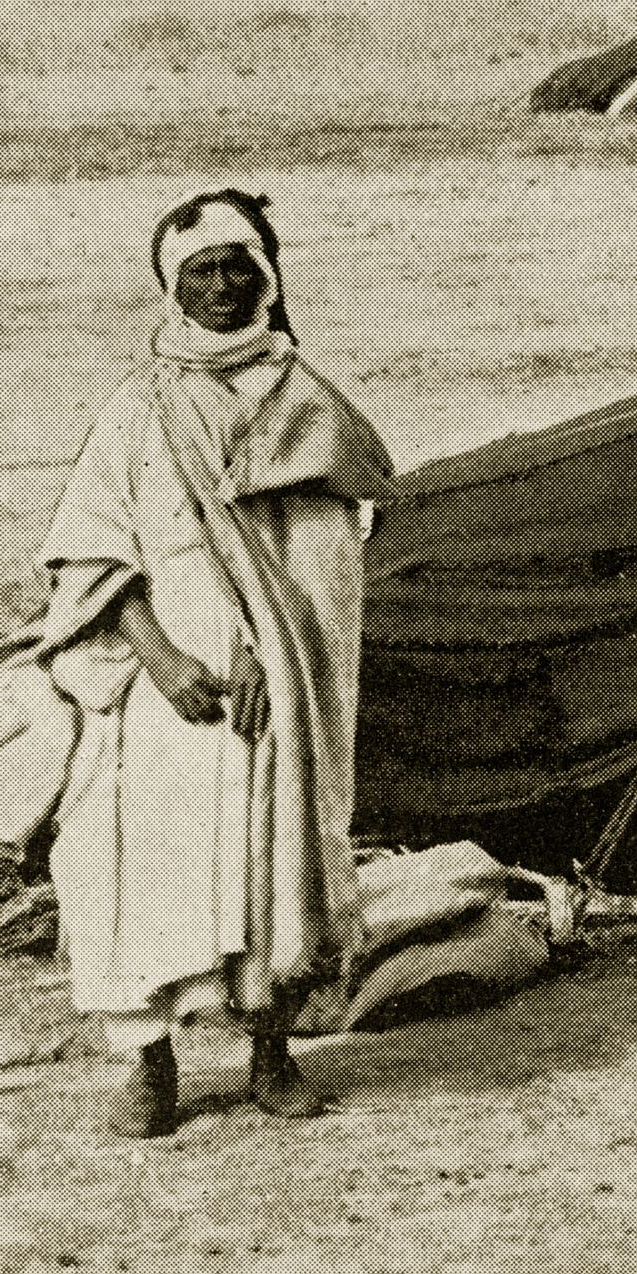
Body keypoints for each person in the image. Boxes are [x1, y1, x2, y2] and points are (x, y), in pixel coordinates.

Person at [37, 191, 399, 1136]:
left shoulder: (306, 404)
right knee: (130, 856)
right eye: (202, 269)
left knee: (271, 852)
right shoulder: (138, 410)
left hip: (270, 686)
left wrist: (271, 654)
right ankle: (150, 1067)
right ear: (172, 285)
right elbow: (93, 550)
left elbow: (323, 560)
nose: (225, 285)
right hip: (165, 680)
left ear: (269, 278)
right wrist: (161, 660)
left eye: (242, 265)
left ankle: (270, 1054)